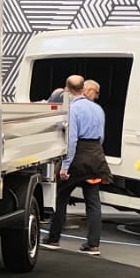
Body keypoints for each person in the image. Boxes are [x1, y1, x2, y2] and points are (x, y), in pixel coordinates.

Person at [46, 79, 109, 256]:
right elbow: (101, 137)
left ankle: (53, 238)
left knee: (61, 195)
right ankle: (93, 244)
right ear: (83, 89)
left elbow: (72, 139)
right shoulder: (98, 109)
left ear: (67, 89)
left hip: (77, 157)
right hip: (96, 155)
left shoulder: (73, 109)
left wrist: (65, 166)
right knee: (93, 201)